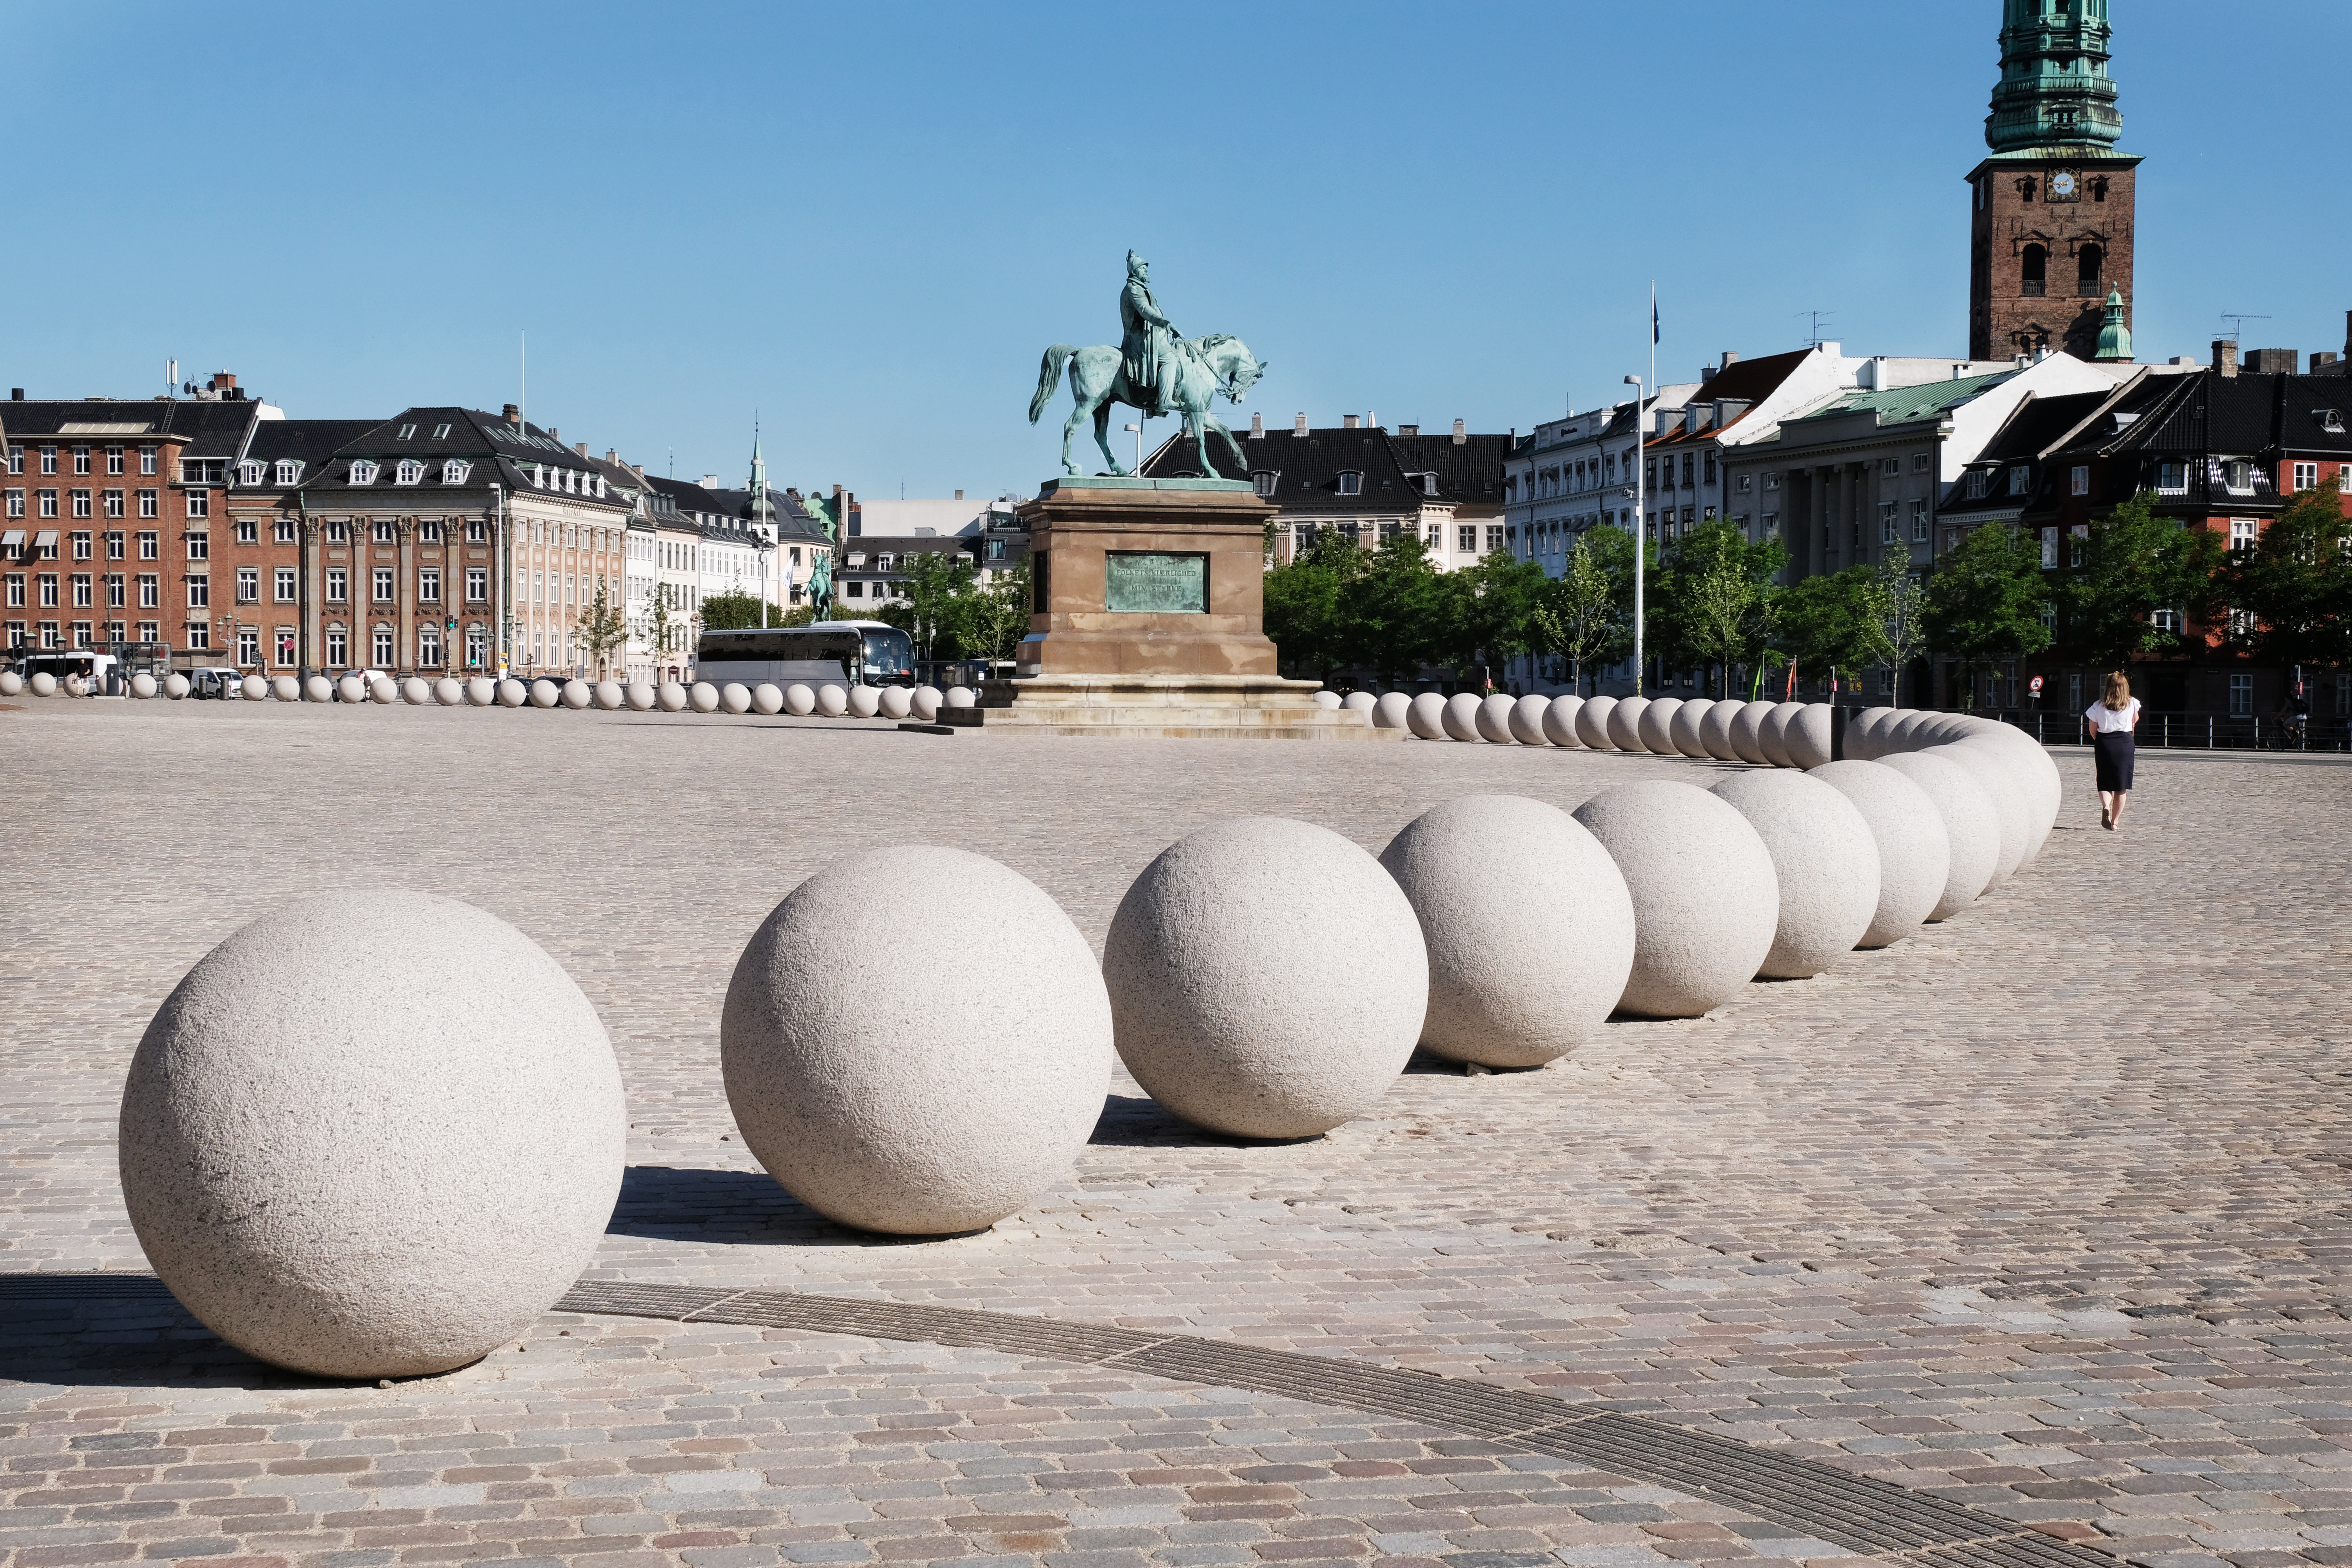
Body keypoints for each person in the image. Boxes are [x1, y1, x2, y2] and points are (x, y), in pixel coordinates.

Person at [2084, 670, 2141, 831]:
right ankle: (2115, 823)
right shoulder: (2132, 704)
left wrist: (2102, 742)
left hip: (2104, 743)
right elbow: (2135, 720)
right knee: (2121, 787)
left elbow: (2093, 730)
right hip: (2125, 743)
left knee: (2104, 782)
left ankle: (2106, 807)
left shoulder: (2097, 706)